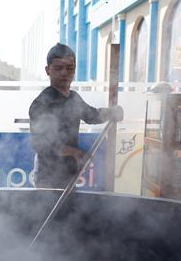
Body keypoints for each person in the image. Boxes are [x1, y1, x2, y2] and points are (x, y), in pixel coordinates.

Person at [30, 43, 124, 188]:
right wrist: (74, 152)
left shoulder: (74, 98)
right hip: (47, 178)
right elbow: (41, 145)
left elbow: (92, 115)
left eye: (69, 68)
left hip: (69, 175)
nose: (64, 73)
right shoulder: (41, 104)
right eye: (58, 68)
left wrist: (112, 112)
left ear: (74, 70)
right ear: (48, 70)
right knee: (49, 210)